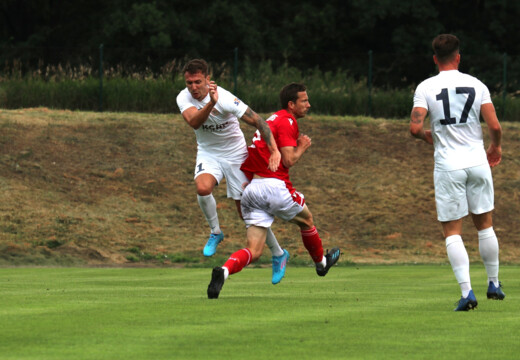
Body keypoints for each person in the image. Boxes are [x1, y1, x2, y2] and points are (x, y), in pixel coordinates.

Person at [207, 82, 341, 299]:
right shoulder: (288, 121)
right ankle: (321, 263)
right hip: (274, 187)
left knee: (254, 250)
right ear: (291, 104)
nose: (309, 104)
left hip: (252, 190)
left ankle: (224, 271)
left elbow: (254, 155)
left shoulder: (271, 120)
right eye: (304, 101)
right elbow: (288, 160)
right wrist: (302, 147)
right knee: (307, 221)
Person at [410, 34, 505, 311]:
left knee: (453, 231)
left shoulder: (426, 87)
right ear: (459, 57)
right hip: (477, 162)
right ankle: (494, 283)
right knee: (485, 224)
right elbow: (496, 127)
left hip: (448, 165)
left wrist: (431, 136)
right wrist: (495, 148)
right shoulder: (477, 84)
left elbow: (415, 128)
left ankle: (467, 293)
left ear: (435, 59)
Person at [176, 59, 289, 284]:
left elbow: (259, 121)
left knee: (247, 214)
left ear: (208, 80)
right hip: (209, 153)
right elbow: (194, 123)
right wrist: (210, 103)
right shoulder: (183, 97)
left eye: (198, 82)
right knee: (202, 187)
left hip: (236, 155)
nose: (193, 87)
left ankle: (278, 254)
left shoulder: (226, 98)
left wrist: (274, 150)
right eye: (189, 82)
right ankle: (216, 232)